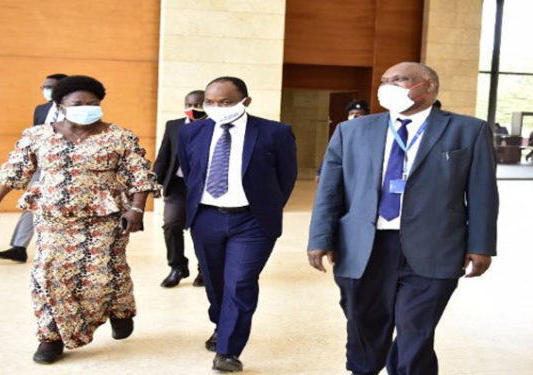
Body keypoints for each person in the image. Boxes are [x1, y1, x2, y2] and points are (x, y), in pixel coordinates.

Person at [308, 62, 498, 375]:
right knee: (364, 326)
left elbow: (482, 193)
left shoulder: (468, 130)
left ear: (429, 86)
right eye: (385, 81)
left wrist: (481, 245)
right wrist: (319, 238)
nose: (389, 87)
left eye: (400, 80)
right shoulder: (352, 130)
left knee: (416, 332)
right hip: (364, 246)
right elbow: (330, 191)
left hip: (435, 246)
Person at [0, 75, 161, 364]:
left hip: (104, 218)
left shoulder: (119, 136)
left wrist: (136, 210)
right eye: (78, 103)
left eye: (93, 103)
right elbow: (13, 171)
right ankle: (50, 337)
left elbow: (139, 176)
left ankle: (119, 309)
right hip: (53, 218)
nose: (86, 108)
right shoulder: (36, 135)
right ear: (60, 105)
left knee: (103, 275)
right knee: (48, 276)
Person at [178, 76, 297, 372]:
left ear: (246, 101)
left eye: (226, 102)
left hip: (252, 222)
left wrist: (264, 208)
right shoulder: (192, 133)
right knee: (215, 283)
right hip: (206, 218)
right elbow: (191, 174)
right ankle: (222, 323)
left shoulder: (275, 133)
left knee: (240, 282)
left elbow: (286, 177)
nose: (217, 107)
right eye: (210, 102)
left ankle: (228, 350)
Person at [0, 73, 68, 263]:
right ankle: (18, 248)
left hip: (67, 166)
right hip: (42, 164)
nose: (46, 91)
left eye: (50, 87)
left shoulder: (76, 109)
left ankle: (64, 251)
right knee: (32, 203)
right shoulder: (41, 109)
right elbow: (34, 137)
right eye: (44, 88)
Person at [153, 90, 206, 288]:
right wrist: (155, 182)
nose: (194, 108)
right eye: (190, 104)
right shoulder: (174, 126)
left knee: (203, 230)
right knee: (171, 225)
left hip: (205, 188)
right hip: (177, 186)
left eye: (200, 104)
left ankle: (205, 269)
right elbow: (164, 156)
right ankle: (177, 267)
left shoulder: (215, 126)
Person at [316, 100, 371, 183]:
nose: (355, 116)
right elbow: (332, 154)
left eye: (359, 113)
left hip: (365, 176)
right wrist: (321, 172)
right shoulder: (342, 131)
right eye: (352, 114)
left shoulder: (373, 132)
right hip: (345, 174)